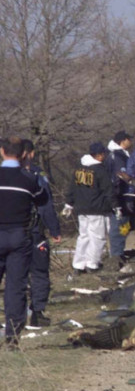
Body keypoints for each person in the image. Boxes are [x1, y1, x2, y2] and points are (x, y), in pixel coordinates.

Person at [0, 137, 49, 347]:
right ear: (23, 155)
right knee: (16, 286)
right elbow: (42, 200)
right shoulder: (28, 180)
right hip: (20, 236)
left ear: (2, 152)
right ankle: (12, 335)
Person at [21, 139, 61, 327]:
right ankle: (37, 312)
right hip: (33, 230)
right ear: (30, 153)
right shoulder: (36, 175)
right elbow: (45, 205)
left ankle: (16, 314)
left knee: (13, 274)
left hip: (7, 231)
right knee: (39, 272)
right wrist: (54, 229)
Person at [64, 142, 119, 273]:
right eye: (103, 154)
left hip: (81, 208)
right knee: (98, 237)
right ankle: (92, 264)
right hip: (97, 209)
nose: (104, 156)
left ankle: (78, 264)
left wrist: (69, 203)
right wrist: (116, 206)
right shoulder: (100, 170)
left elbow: (72, 187)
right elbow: (108, 190)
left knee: (83, 236)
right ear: (99, 155)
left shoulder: (79, 168)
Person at [106, 130, 132, 258]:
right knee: (120, 224)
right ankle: (117, 254)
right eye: (128, 139)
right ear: (123, 141)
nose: (130, 142)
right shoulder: (118, 157)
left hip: (120, 194)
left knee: (124, 224)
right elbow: (119, 177)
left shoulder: (117, 155)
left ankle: (119, 251)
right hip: (120, 195)